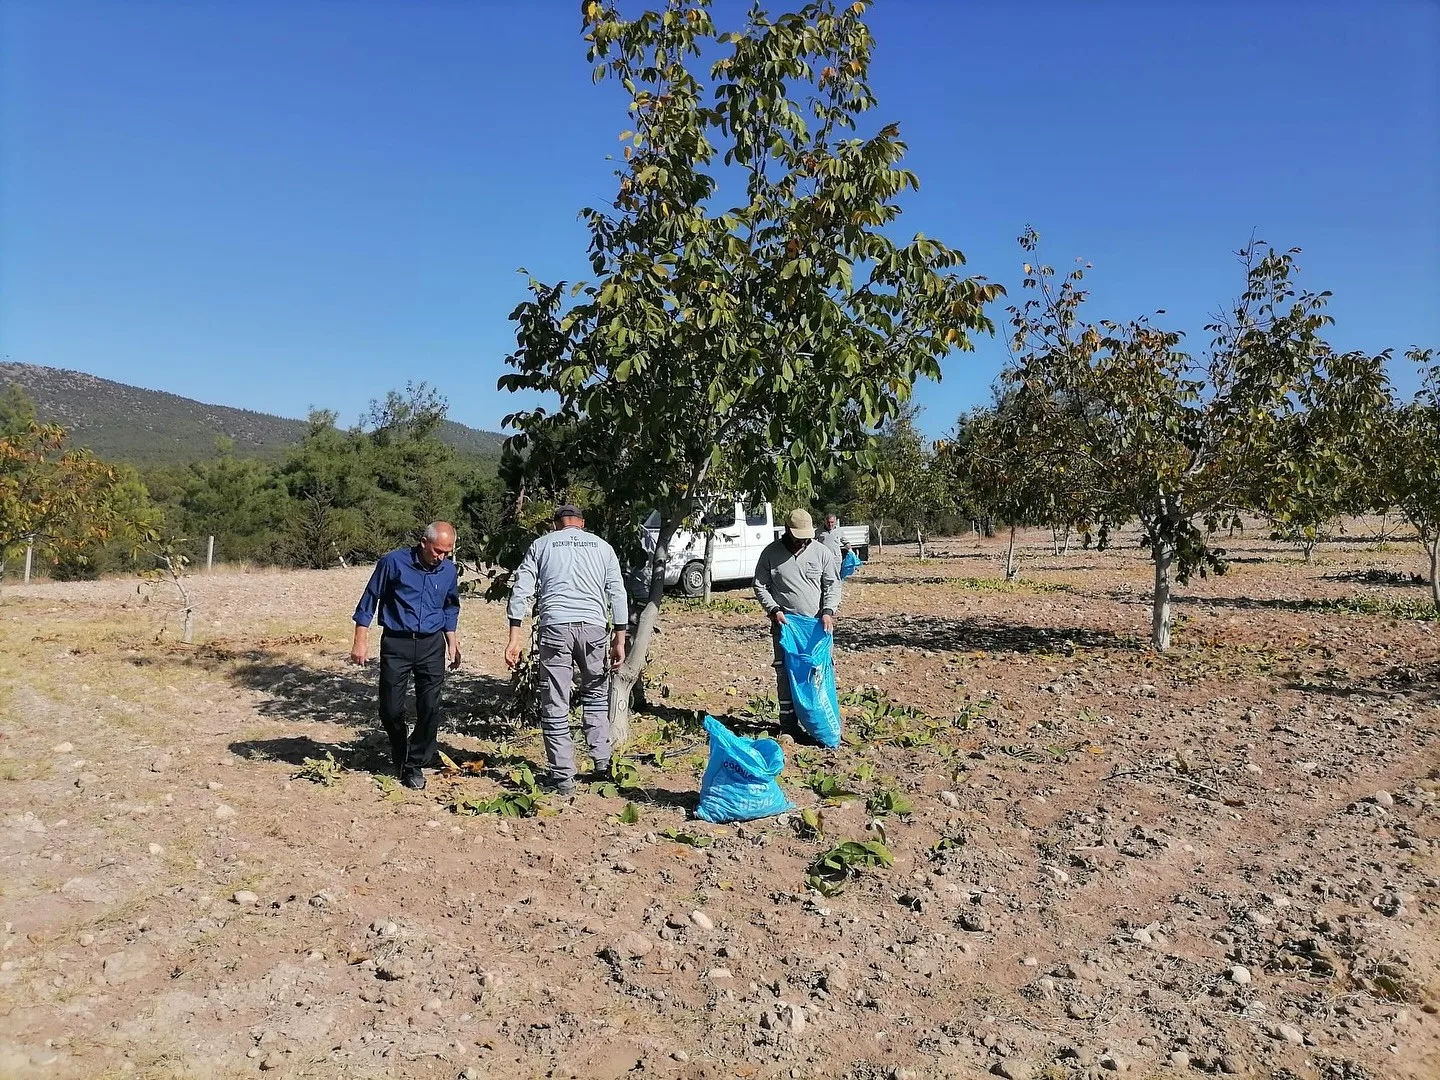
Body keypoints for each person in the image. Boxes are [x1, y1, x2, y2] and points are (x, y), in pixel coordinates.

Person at [504, 505, 628, 795]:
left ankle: (563, 778)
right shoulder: (603, 547)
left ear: (555, 525)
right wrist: (619, 640)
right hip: (595, 629)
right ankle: (602, 764)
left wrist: (514, 636)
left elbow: (521, 589)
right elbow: (617, 592)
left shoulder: (541, 545)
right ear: (582, 524)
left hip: (555, 628)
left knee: (555, 703)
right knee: (596, 696)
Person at [349, 522, 462, 790]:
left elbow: (450, 607)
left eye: (447, 552)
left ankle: (414, 764)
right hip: (397, 642)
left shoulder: (448, 570)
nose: (441, 557)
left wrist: (452, 643)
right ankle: (400, 748)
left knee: (431, 708)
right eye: (437, 551)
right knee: (389, 709)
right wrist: (359, 641)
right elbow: (369, 599)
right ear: (423, 542)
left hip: (431, 645)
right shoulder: (393, 562)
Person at [753, 508, 841, 743]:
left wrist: (828, 612)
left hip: (816, 626)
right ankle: (789, 726)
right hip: (785, 626)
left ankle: (818, 721)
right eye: (798, 535)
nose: (803, 539)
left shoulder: (821, 553)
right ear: (787, 531)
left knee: (817, 673)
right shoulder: (770, 554)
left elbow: (832, 585)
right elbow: (760, 586)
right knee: (785, 673)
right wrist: (774, 610)